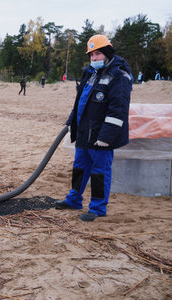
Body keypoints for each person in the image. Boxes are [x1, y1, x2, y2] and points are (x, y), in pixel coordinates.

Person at [56, 34, 132, 222]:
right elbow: (81, 101)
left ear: (106, 53)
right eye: (91, 55)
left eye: (97, 54)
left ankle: (97, 208)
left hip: (101, 136)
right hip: (84, 132)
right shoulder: (90, 73)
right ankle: (74, 200)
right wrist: (72, 121)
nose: (94, 58)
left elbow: (118, 110)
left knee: (99, 172)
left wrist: (106, 137)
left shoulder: (119, 76)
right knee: (80, 167)